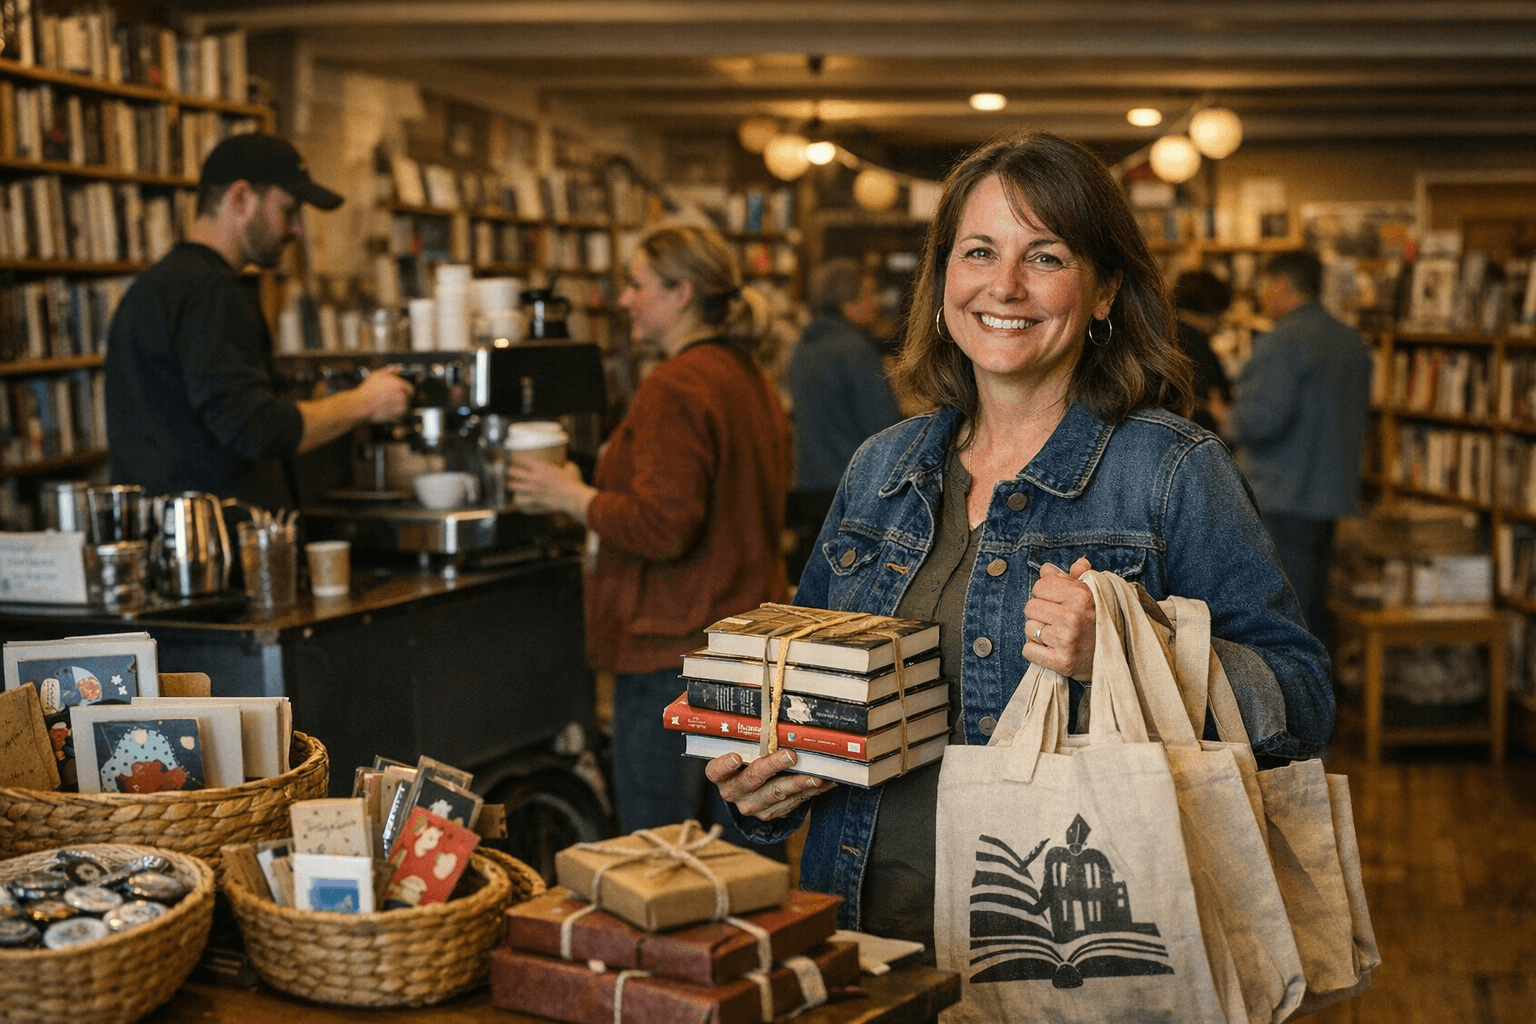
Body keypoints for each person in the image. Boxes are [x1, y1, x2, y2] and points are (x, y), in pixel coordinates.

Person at [706, 130, 1334, 945]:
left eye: (1045, 257)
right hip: (870, 940)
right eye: (979, 252)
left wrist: (1134, 649)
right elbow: (807, 704)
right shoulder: (880, 470)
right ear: (943, 279)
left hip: (1075, 951)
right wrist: (766, 787)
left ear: (1104, 291)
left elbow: (1304, 702)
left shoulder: (1172, 471)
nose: (1004, 286)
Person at [508, 224, 793, 844]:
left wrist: (571, 497)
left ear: (681, 292)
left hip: (674, 652)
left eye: (637, 285)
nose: (625, 300)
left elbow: (664, 527)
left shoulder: (676, 384)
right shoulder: (746, 375)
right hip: (746, 644)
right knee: (744, 846)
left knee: (661, 855)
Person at [105, 133, 412, 509]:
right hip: (212, 534)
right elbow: (255, 429)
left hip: (161, 529)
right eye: (288, 211)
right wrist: (364, 402)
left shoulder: (153, 286)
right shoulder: (211, 290)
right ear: (241, 198)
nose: (297, 229)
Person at [1221, 249, 1373, 656]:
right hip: (1333, 495)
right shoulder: (1351, 341)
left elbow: (1259, 421)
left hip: (1281, 494)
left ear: (1282, 283)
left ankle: (1298, 695)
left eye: (1264, 285)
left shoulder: (1282, 342)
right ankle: (1324, 689)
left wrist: (1227, 418)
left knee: (1284, 616)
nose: (1262, 296)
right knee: (1315, 606)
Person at [783, 258, 904, 582]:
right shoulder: (856, 351)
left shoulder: (802, 349)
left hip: (811, 487)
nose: (875, 302)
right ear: (846, 302)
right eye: (868, 294)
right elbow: (886, 430)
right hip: (854, 490)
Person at [1171, 269, 1234, 431]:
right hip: (1196, 429)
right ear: (1209, 310)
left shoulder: (1167, 330)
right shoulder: (1192, 340)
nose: (1219, 322)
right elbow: (1215, 390)